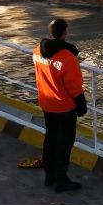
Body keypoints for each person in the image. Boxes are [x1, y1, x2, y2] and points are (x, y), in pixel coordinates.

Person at [33, 18, 87, 193]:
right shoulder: (67, 58)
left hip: (47, 103)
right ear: (65, 33)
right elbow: (74, 86)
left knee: (50, 139)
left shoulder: (37, 52)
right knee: (64, 143)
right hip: (64, 107)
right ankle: (61, 179)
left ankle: (49, 176)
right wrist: (81, 105)